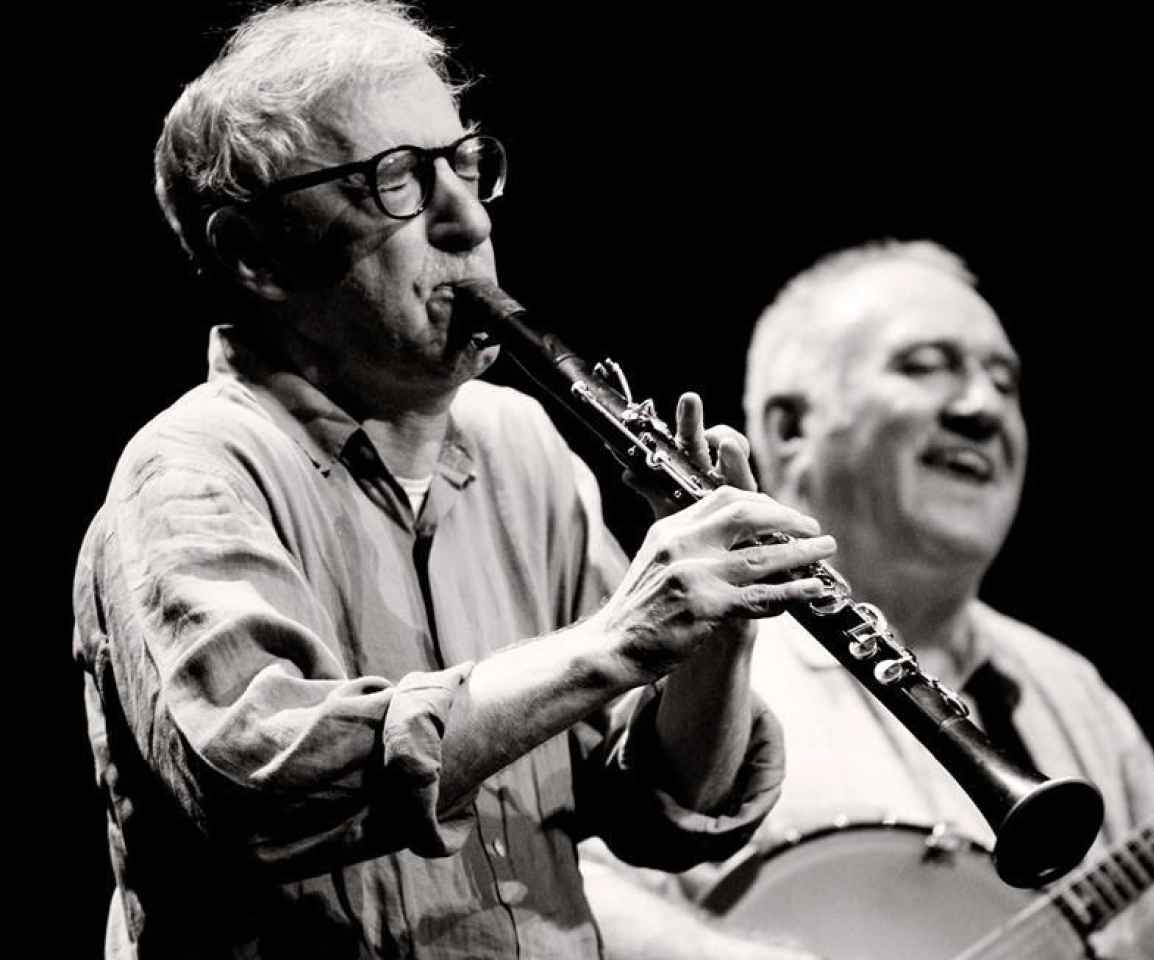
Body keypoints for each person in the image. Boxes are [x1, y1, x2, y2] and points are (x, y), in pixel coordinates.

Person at [72, 2, 837, 957]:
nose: (467, 218)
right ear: (251, 254)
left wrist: (712, 644)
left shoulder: (524, 450)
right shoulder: (189, 474)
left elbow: (661, 813)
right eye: (392, 179)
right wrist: (622, 637)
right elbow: (269, 789)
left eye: (466, 164)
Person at [579, 240, 1154, 959]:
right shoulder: (679, 647)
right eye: (926, 366)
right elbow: (559, 899)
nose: (983, 409)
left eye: (1005, 382)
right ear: (790, 426)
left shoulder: (1071, 689)